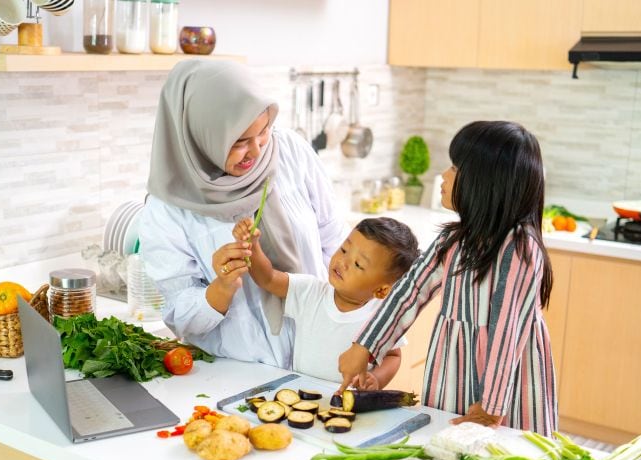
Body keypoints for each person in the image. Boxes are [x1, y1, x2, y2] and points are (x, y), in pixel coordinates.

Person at [337, 121, 557, 435]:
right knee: (447, 446)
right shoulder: (452, 242)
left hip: (506, 385)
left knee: (509, 456)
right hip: (453, 367)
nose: (443, 174)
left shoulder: (520, 250)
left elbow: (507, 332)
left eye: (454, 167)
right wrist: (365, 346)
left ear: (485, 183)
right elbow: (408, 293)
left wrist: (491, 407)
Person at [138, 60, 348, 369]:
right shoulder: (166, 211)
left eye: (264, 131)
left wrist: (352, 323)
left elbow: (334, 242)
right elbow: (180, 317)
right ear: (200, 135)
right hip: (243, 375)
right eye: (238, 141)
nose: (257, 150)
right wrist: (220, 289)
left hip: (324, 355)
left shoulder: (290, 151)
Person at [232, 216, 420, 388]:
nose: (343, 262)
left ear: (381, 290)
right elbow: (268, 279)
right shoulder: (311, 292)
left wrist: (377, 379)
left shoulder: (382, 317)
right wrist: (253, 245)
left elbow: (393, 355)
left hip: (346, 405)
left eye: (358, 264)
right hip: (299, 394)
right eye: (344, 249)